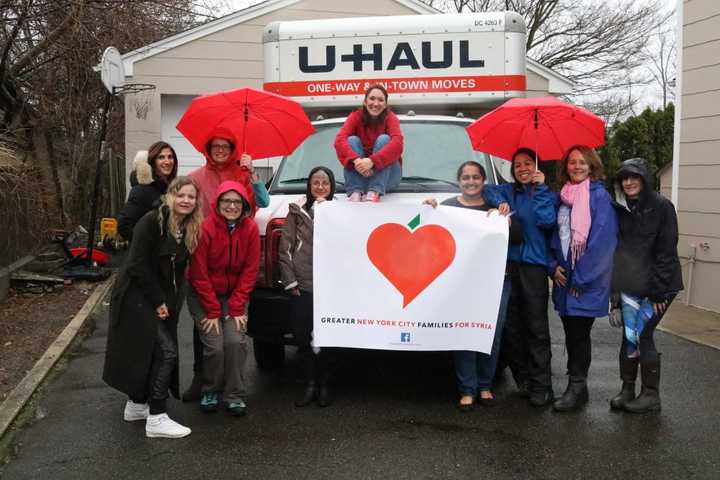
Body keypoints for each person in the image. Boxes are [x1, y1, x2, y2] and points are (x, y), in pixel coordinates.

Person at [103, 176, 202, 439]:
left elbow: (175, 273)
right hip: (136, 296)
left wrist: (169, 302)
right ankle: (156, 417)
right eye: (180, 194)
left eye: (191, 197)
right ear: (170, 195)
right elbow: (136, 264)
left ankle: (137, 405)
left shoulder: (186, 227)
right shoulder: (151, 221)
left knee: (148, 350)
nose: (186, 200)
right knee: (166, 352)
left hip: (155, 298)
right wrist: (158, 300)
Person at [423, 161, 522, 411]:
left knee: (492, 334)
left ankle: (485, 385)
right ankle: (467, 389)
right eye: (466, 177)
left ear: (483, 180)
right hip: (461, 283)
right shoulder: (447, 208)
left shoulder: (496, 208)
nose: (471, 182)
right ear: (459, 182)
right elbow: (428, 235)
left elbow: (519, 237)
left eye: (476, 177)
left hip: (496, 280)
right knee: (464, 332)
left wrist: (507, 220)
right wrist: (429, 210)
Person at [183, 128, 269, 402]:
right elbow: (183, 206)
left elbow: (263, 202)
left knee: (233, 340)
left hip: (233, 281)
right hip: (205, 262)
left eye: (225, 146)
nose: (220, 150)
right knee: (209, 338)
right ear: (208, 148)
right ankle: (205, 383)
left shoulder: (242, 173)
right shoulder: (196, 178)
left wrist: (252, 174)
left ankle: (231, 391)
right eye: (215, 146)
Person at [482, 148, 557, 407]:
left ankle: (542, 385)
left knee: (536, 328)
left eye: (528, 164)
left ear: (536, 166)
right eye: (518, 165)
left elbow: (548, 222)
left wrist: (542, 190)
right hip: (509, 265)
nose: (523, 168)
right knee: (511, 326)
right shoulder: (508, 192)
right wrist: (498, 203)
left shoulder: (545, 194)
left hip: (534, 267)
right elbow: (486, 190)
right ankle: (523, 379)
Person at [608, 158, 682, 413]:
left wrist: (658, 292)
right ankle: (627, 389)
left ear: (644, 179)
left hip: (660, 286)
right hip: (631, 284)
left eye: (634, 177)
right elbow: (617, 253)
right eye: (624, 178)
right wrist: (615, 296)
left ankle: (651, 395)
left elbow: (666, 251)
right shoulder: (619, 207)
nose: (628, 182)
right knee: (629, 336)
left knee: (642, 334)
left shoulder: (662, 206)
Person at [549, 146, 618, 412]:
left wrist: (580, 279)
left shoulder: (599, 196)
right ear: (565, 166)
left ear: (592, 166)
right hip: (564, 278)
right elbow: (554, 236)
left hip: (584, 281)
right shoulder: (563, 197)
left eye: (582, 162)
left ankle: (576, 387)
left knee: (579, 335)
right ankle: (580, 389)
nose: (576, 166)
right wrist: (553, 266)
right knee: (570, 332)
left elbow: (603, 243)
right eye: (572, 162)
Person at [187, 180, 260, 416]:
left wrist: (237, 307)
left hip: (234, 296)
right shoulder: (204, 228)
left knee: (235, 342)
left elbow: (250, 271)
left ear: (244, 205)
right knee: (215, 345)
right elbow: (198, 273)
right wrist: (213, 311)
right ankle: (210, 389)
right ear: (218, 204)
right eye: (227, 201)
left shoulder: (249, 229)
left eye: (237, 201)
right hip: (203, 295)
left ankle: (234, 395)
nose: (231, 206)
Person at [278, 166, 336, 407]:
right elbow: (285, 248)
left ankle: (325, 384)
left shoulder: (341, 211)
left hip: (329, 290)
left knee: (327, 341)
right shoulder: (296, 211)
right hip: (302, 286)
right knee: (303, 338)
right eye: (315, 182)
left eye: (325, 182)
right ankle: (309, 383)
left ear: (332, 187)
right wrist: (290, 282)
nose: (320, 186)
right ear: (309, 186)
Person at [334, 84, 403, 202]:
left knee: (384, 139)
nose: (375, 104)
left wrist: (372, 161)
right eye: (372, 98)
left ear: (385, 104)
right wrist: (357, 161)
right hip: (360, 176)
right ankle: (355, 193)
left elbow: (398, 143)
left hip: (388, 180)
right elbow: (339, 140)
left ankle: (374, 192)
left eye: (380, 100)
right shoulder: (355, 116)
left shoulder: (391, 118)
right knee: (351, 140)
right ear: (365, 101)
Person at [118, 142, 178, 241]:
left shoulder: (168, 189)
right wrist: (146, 245)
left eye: (170, 157)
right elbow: (124, 225)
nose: (167, 162)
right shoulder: (142, 190)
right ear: (152, 161)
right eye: (161, 157)